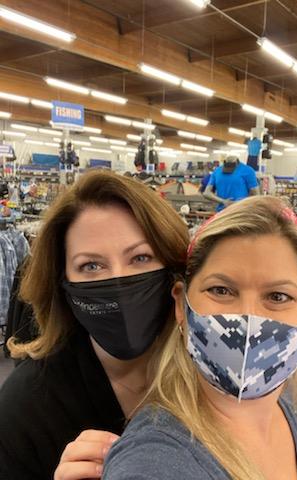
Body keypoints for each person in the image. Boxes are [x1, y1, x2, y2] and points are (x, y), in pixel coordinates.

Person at [103, 196, 297, 480]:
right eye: (221, 290)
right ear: (181, 307)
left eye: (278, 296)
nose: (249, 317)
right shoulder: (152, 462)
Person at [0, 170, 189, 480]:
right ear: (63, 284)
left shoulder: (212, 380)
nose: (116, 279)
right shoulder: (26, 409)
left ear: (173, 268)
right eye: (91, 266)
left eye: (140, 258)